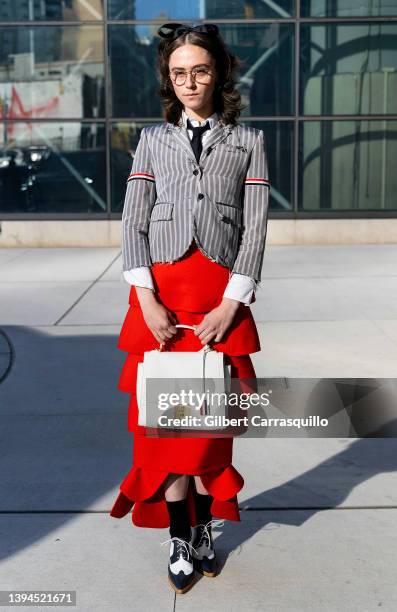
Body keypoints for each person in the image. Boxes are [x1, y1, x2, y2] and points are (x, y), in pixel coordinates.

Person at [109, 22, 270, 595]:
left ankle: (205, 529)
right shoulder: (151, 141)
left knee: (206, 431)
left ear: (220, 72)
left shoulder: (248, 141)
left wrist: (234, 301)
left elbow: (255, 226)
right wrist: (145, 297)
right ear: (168, 79)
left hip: (217, 299)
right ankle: (181, 533)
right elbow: (132, 219)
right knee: (164, 432)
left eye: (199, 70)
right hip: (162, 300)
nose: (189, 82)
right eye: (178, 73)